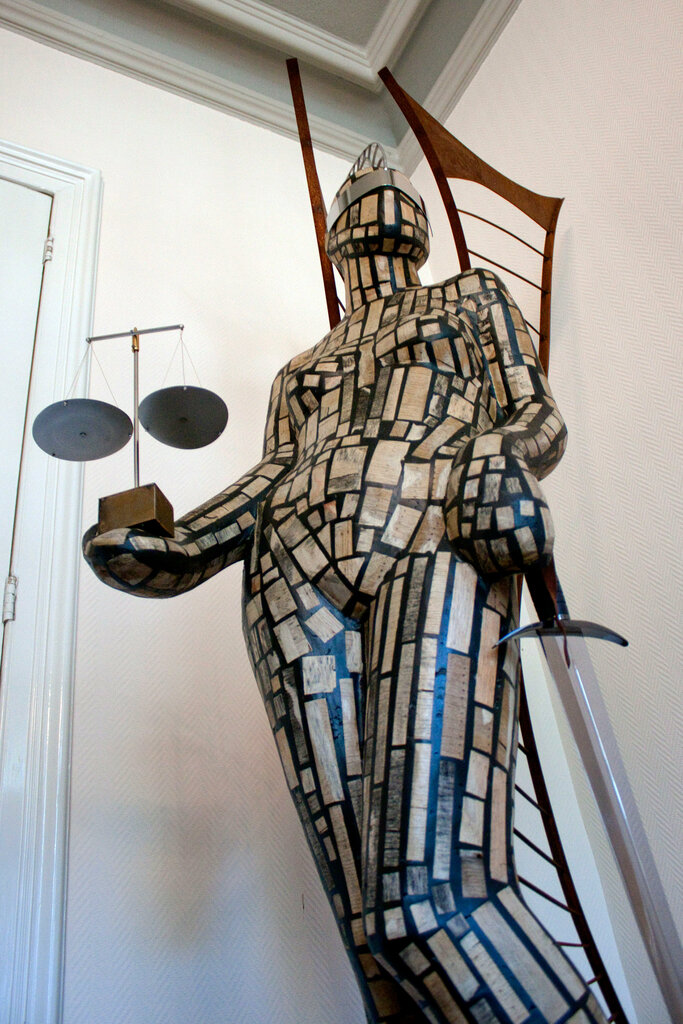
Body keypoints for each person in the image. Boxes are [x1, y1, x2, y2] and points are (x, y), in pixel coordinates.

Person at [84, 148, 605, 1024]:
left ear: (421, 228)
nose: (379, 176)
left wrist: (498, 452)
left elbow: (534, 413)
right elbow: (272, 475)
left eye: (394, 182)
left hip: (432, 533)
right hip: (289, 583)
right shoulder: (299, 372)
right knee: (373, 945)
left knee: (429, 903)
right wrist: (181, 547)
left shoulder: (469, 298)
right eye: (358, 185)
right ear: (332, 238)